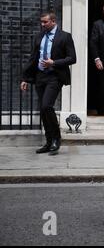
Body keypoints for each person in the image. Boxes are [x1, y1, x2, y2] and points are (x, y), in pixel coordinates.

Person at [20, 12, 77, 155]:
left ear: (53, 21)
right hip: (40, 76)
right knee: (43, 110)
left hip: (55, 76)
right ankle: (48, 141)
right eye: (41, 22)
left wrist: (54, 62)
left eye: (45, 22)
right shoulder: (39, 36)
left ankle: (56, 138)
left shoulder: (65, 36)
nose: (42, 24)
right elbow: (33, 58)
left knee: (46, 105)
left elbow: (72, 58)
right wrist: (25, 78)